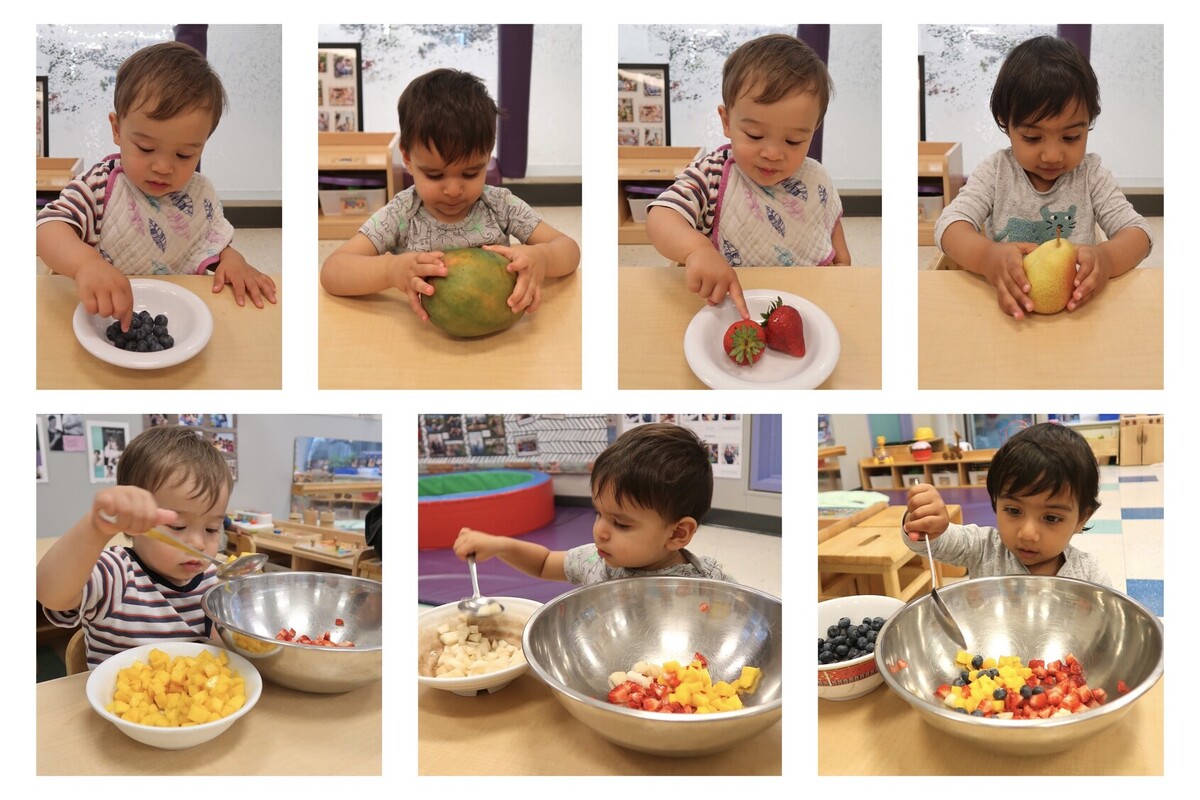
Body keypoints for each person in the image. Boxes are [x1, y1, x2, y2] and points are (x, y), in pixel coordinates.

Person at [36, 41, 277, 333]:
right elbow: (47, 228)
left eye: (184, 154)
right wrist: (85, 264)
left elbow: (211, 242)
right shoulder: (99, 186)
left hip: (172, 318)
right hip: (99, 317)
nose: (164, 167)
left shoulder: (198, 194)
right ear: (117, 129)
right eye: (146, 147)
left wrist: (232, 259)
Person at [320, 68, 580, 321]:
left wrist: (542, 258)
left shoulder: (501, 206)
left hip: (501, 337)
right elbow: (333, 271)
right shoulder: (401, 214)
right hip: (422, 340)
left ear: (487, 157)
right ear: (408, 159)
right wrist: (391, 270)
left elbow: (569, 249)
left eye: (470, 173)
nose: (454, 190)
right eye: (434, 175)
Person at [935, 35, 1152, 319]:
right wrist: (987, 257)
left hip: (1078, 312)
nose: (1052, 155)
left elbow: (1140, 234)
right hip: (1011, 310)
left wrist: (1107, 259)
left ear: (1089, 123)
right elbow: (949, 225)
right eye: (1033, 137)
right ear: (1005, 122)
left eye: (1071, 136)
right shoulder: (996, 172)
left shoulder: (1091, 175)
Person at [646, 34, 849, 320]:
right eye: (754, 135)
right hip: (730, 309)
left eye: (793, 141)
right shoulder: (712, 175)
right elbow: (661, 216)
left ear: (813, 130)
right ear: (727, 121)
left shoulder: (815, 176)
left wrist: (841, 273)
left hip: (805, 308)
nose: (773, 152)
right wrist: (696, 250)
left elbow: (834, 238)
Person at [37, 425, 233, 668]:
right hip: (120, 701)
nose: (199, 544)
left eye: (212, 529)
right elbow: (50, 593)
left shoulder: (211, 580)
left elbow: (218, 644)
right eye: (178, 526)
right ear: (132, 524)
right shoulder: (117, 573)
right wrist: (95, 529)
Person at [454, 423, 734, 584]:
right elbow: (543, 563)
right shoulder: (595, 563)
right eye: (598, 513)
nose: (599, 530)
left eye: (621, 523)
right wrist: (500, 545)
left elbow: (749, 622)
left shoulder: (707, 580)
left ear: (677, 533)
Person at [901, 422, 1110, 585]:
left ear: (1082, 519)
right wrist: (924, 522)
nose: (1027, 534)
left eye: (1051, 517)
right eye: (1013, 510)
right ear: (995, 501)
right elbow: (931, 543)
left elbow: (1107, 625)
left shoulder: (1089, 575)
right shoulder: (982, 548)